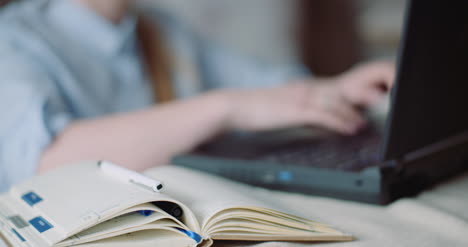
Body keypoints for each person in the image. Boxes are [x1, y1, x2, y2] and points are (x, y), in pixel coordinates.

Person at [0, 0, 394, 192]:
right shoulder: (13, 40)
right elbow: (43, 160)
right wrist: (226, 107)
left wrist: (335, 90)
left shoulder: (161, 30)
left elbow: (264, 86)